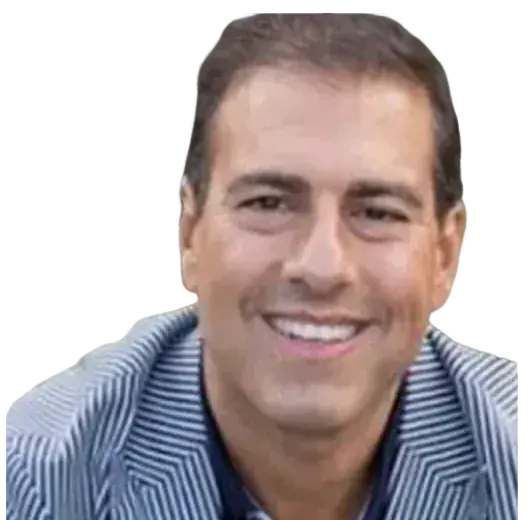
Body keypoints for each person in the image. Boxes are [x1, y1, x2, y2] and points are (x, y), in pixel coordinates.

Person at [6, 11, 519, 520]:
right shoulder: (39, 482)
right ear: (189, 233)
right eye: (269, 204)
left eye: (377, 213)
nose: (322, 267)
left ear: (444, 256)